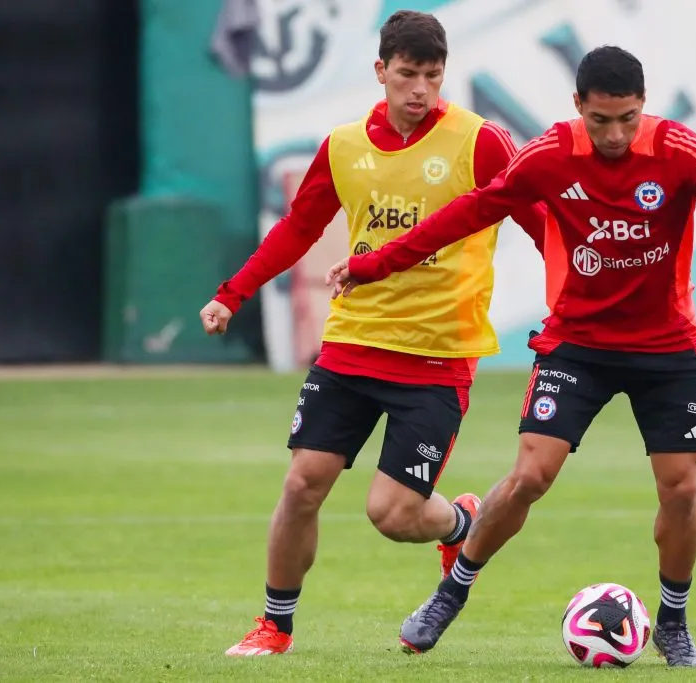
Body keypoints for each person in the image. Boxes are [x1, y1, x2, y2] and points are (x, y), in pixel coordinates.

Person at [326, 45, 696, 668]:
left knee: (681, 489)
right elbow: (468, 212)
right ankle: (450, 593)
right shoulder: (550, 155)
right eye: (601, 120)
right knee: (529, 478)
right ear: (577, 107)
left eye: (627, 118)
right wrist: (372, 265)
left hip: (666, 348)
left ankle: (673, 622)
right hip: (579, 344)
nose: (616, 134)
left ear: (643, 107)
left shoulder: (680, 151)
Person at [199, 10, 546, 657]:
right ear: (380, 71)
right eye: (407, 75)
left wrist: (574, 293)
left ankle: (460, 520)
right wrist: (232, 293)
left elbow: (542, 222)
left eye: (433, 76)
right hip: (353, 343)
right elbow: (297, 229)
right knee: (302, 482)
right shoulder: (344, 146)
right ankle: (274, 625)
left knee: (392, 514)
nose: (420, 89)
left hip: (437, 355)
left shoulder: (481, 143)